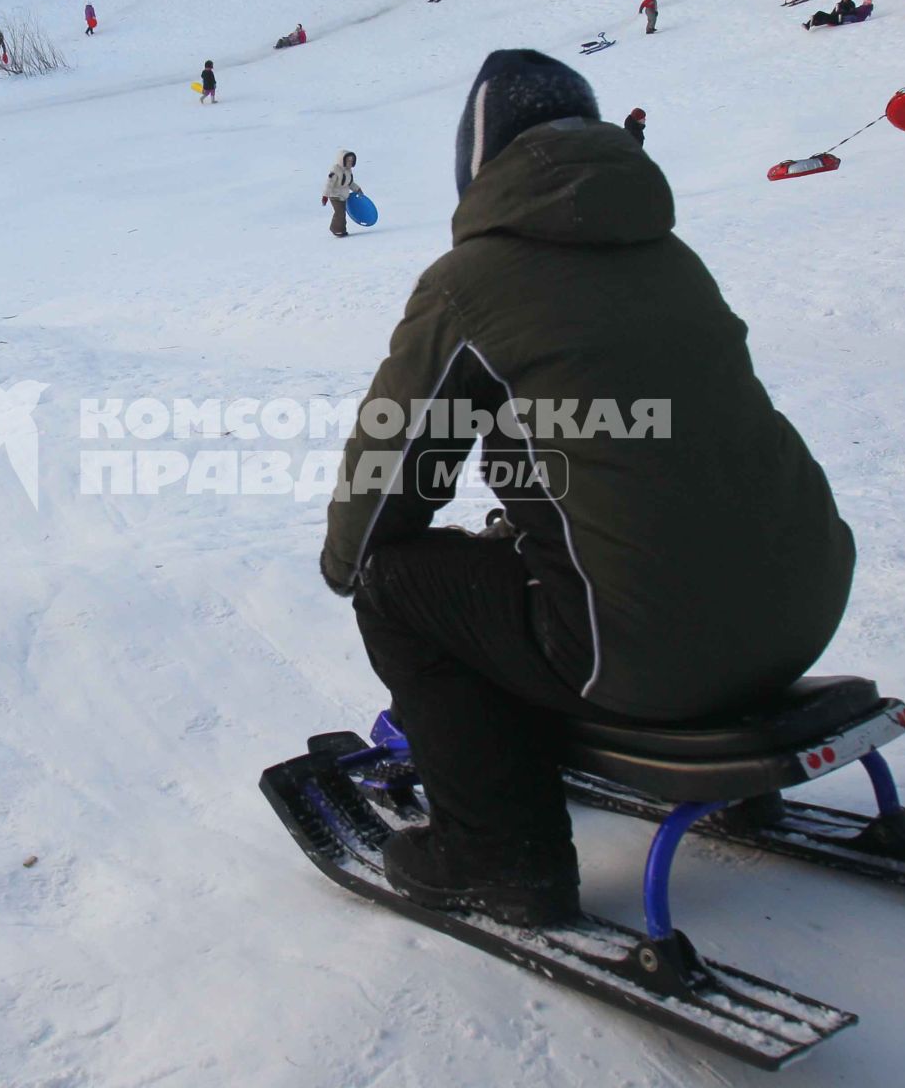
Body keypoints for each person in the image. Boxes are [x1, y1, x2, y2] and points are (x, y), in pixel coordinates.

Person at [319, 49, 855, 926]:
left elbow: (389, 484)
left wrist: (349, 568)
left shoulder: (475, 284)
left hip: (651, 649)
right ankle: (723, 751)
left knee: (397, 588)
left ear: (479, 165)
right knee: (572, 549)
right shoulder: (669, 256)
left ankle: (498, 855)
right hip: (804, 608)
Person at [322, 150, 361, 237]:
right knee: (339, 212)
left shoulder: (348, 171)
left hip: (343, 196)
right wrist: (325, 196)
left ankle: (341, 230)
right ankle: (335, 229)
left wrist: (357, 189)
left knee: (342, 213)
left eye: (352, 161)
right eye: (348, 161)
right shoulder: (336, 171)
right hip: (335, 196)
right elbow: (329, 184)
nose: (350, 163)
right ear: (342, 160)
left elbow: (350, 183)